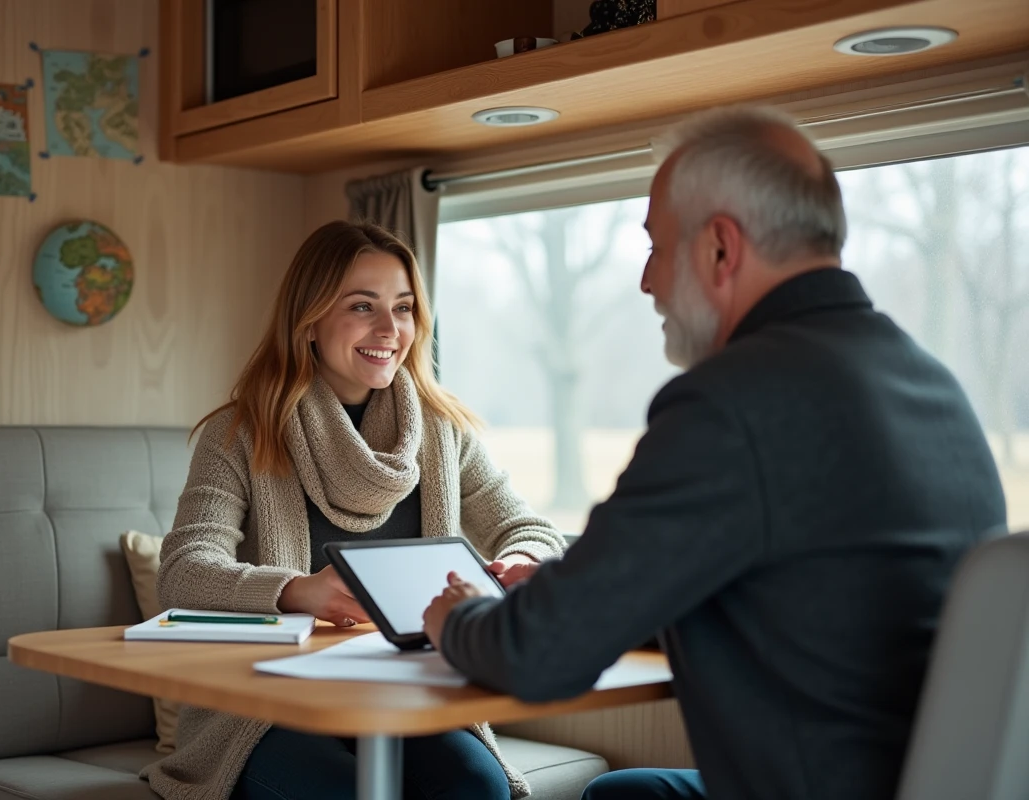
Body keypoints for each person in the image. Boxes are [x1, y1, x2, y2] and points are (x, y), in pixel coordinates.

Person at [421, 106, 1007, 800]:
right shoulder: (933, 386)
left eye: (656, 248)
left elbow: (537, 655)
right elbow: (809, 604)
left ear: (721, 250)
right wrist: (587, 594)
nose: (648, 282)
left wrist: (456, 616)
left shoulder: (733, 403)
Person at [143, 220, 566, 800]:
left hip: (403, 695)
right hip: (265, 711)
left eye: (404, 308)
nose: (390, 330)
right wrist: (298, 590)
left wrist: (522, 558)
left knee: (479, 789)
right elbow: (183, 571)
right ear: (310, 320)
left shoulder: (443, 432)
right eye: (362, 307)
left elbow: (530, 528)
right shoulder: (240, 432)